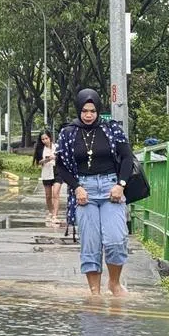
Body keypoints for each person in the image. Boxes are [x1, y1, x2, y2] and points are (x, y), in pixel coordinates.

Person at [55, 89, 135, 296]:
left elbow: (127, 158)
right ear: (79, 110)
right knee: (90, 243)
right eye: (84, 111)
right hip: (85, 192)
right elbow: (61, 166)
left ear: (98, 110)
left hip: (111, 190)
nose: (88, 115)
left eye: (92, 111)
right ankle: (94, 292)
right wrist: (76, 188)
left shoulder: (111, 129)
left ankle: (114, 283)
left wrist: (121, 184)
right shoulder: (69, 132)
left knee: (116, 239)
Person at [33, 131, 59, 225]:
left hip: (57, 172)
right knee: (48, 196)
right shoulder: (40, 149)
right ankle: (51, 212)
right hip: (46, 173)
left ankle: (55, 215)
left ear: (50, 137)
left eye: (46, 138)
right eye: (42, 139)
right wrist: (47, 159)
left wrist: (55, 157)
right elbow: (38, 162)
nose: (45, 141)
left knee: (55, 194)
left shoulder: (57, 147)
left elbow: (63, 157)